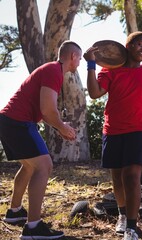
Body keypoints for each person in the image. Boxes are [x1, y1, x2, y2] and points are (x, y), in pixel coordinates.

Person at [83, 31, 142, 240]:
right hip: (112, 131)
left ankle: (131, 227)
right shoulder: (110, 70)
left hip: (140, 131)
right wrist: (91, 65)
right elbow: (94, 93)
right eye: (140, 44)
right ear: (127, 46)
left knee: (131, 177)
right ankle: (122, 214)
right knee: (118, 178)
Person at [0, 40, 81, 239]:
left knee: (29, 166)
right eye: (79, 58)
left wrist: (60, 126)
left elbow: (45, 112)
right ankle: (33, 228)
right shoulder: (54, 70)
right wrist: (63, 128)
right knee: (44, 166)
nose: (79, 62)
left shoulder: (52, 70)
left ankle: (15, 212)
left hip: (9, 121)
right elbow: (48, 111)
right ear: (73, 57)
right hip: (17, 122)